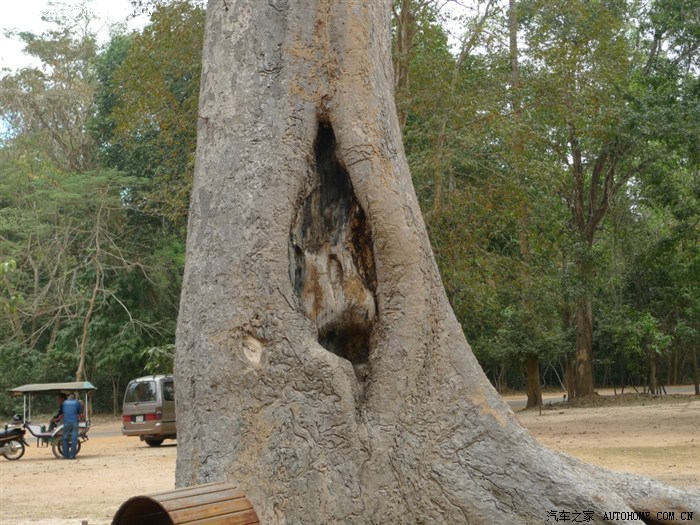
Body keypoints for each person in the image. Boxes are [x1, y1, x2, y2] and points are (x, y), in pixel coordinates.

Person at [61, 393, 82, 459]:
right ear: (74, 398)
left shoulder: (64, 403)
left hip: (66, 422)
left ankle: (66, 455)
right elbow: (79, 412)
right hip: (75, 422)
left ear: (68, 398)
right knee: (74, 438)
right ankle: (72, 455)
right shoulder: (77, 402)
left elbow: (63, 412)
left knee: (64, 438)